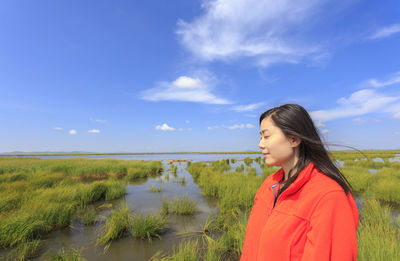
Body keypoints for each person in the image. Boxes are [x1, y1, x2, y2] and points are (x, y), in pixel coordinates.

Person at [240, 104, 359, 261]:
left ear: (293, 139)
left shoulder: (328, 197)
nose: (260, 144)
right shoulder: (269, 184)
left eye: (266, 136)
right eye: (260, 137)